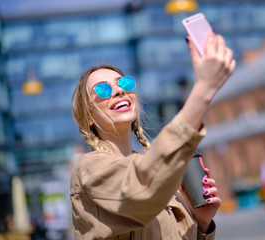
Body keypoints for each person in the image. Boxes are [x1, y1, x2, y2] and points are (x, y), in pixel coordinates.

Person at [70, 31, 236, 239]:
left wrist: (202, 223)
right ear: (89, 118)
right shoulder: (89, 170)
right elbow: (140, 191)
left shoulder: (154, 169)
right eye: (103, 89)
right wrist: (202, 91)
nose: (119, 91)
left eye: (124, 84)